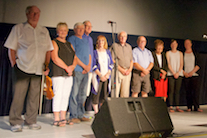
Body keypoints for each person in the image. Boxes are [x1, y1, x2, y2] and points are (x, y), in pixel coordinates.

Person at [4, 6, 53, 132]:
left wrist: (46, 65)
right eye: (33, 13)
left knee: (34, 97)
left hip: (38, 69)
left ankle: (31, 120)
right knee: (18, 96)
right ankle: (15, 122)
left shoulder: (44, 30)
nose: (35, 15)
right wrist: (14, 64)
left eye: (37, 13)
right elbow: (11, 48)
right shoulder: (19, 28)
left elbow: (48, 49)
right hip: (22, 67)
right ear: (27, 14)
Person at [50, 22, 78, 126]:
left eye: (65, 30)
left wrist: (72, 67)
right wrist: (67, 68)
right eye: (61, 30)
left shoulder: (69, 44)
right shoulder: (54, 42)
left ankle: (63, 117)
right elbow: (55, 58)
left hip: (69, 73)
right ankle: (56, 118)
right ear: (57, 31)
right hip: (58, 72)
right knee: (58, 94)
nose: (63, 32)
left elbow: (75, 58)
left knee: (66, 95)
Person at [67, 22, 91, 123]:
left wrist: (88, 66)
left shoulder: (85, 40)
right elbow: (74, 55)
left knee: (83, 94)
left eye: (82, 28)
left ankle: (81, 114)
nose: (81, 30)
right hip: (77, 70)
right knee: (74, 93)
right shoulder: (72, 39)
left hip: (86, 71)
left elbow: (89, 55)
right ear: (75, 29)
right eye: (79, 28)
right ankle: (73, 115)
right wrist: (84, 66)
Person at [91, 35, 113, 114]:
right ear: (97, 42)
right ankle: (96, 112)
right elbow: (93, 65)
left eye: (102, 41)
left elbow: (111, 64)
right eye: (99, 41)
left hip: (106, 77)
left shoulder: (108, 52)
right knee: (96, 94)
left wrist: (107, 74)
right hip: (98, 77)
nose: (101, 42)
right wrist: (100, 75)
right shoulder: (95, 52)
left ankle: (102, 112)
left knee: (104, 94)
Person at [110, 31, 133, 97]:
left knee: (125, 93)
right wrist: (121, 69)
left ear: (126, 38)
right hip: (117, 71)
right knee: (115, 91)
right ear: (118, 37)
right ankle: (114, 107)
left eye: (124, 36)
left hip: (127, 72)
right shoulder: (114, 45)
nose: (123, 38)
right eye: (121, 36)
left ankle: (123, 107)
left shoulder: (129, 47)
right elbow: (112, 59)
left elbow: (131, 60)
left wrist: (129, 70)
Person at [183, 39, 203, 112]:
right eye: (185, 43)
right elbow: (181, 65)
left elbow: (198, 64)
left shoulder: (195, 53)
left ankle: (197, 107)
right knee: (188, 92)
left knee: (195, 92)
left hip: (194, 75)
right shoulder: (182, 53)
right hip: (186, 75)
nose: (187, 45)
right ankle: (189, 107)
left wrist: (192, 72)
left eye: (188, 43)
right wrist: (185, 73)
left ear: (191, 44)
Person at [166, 39, 184, 112]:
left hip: (179, 74)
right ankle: (171, 106)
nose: (174, 45)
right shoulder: (168, 53)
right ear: (171, 45)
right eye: (172, 44)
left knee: (177, 90)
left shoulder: (180, 53)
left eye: (175, 43)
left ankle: (177, 106)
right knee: (171, 90)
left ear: (177, 44)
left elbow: (181, 64)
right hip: (171, 74)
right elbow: (168, 63)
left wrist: (178, 72)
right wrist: (173, 72)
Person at [83, 20, 94, 111]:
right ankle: (75, 113)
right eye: (87, 26)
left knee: (86, 92)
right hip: (81, 70)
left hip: (89, 70)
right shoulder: (79, 37)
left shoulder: (90, 39)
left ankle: (81, 112)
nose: (89, 28)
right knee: (79, 92)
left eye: (91, 26)